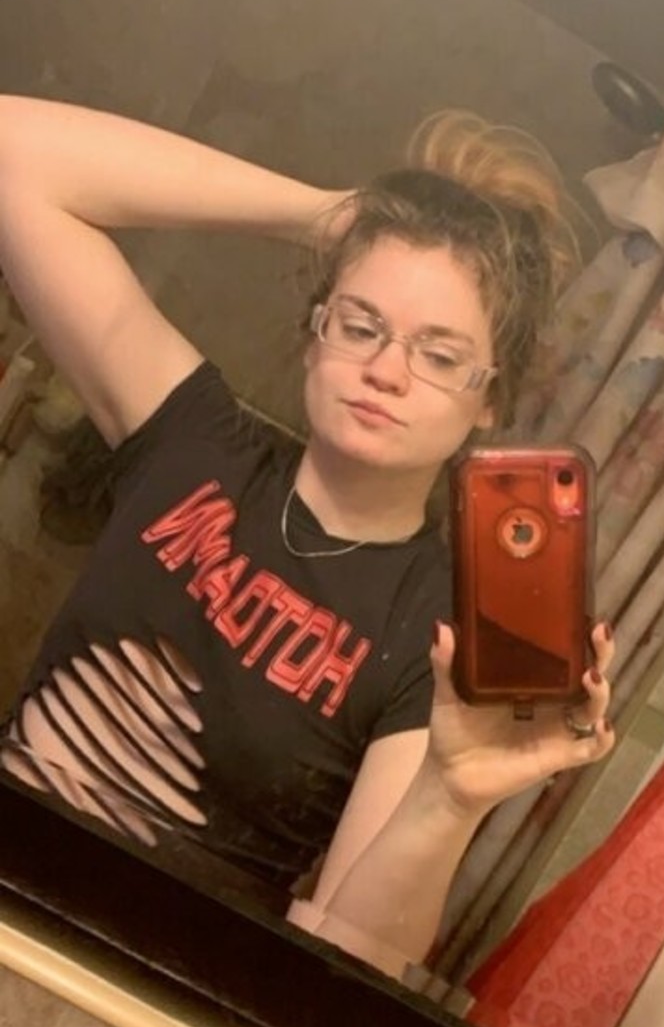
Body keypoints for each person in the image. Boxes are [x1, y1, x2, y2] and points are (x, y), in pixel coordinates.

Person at [0, 97, 614, 972]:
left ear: (491, 400)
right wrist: (329, 217)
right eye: (361, 325)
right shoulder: (192, 439)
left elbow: (343, 959)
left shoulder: (442, 637)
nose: (386, 369)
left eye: (440, 356)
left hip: (140, 995)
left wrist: (447, 800)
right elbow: (13, 151)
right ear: (315, 336)